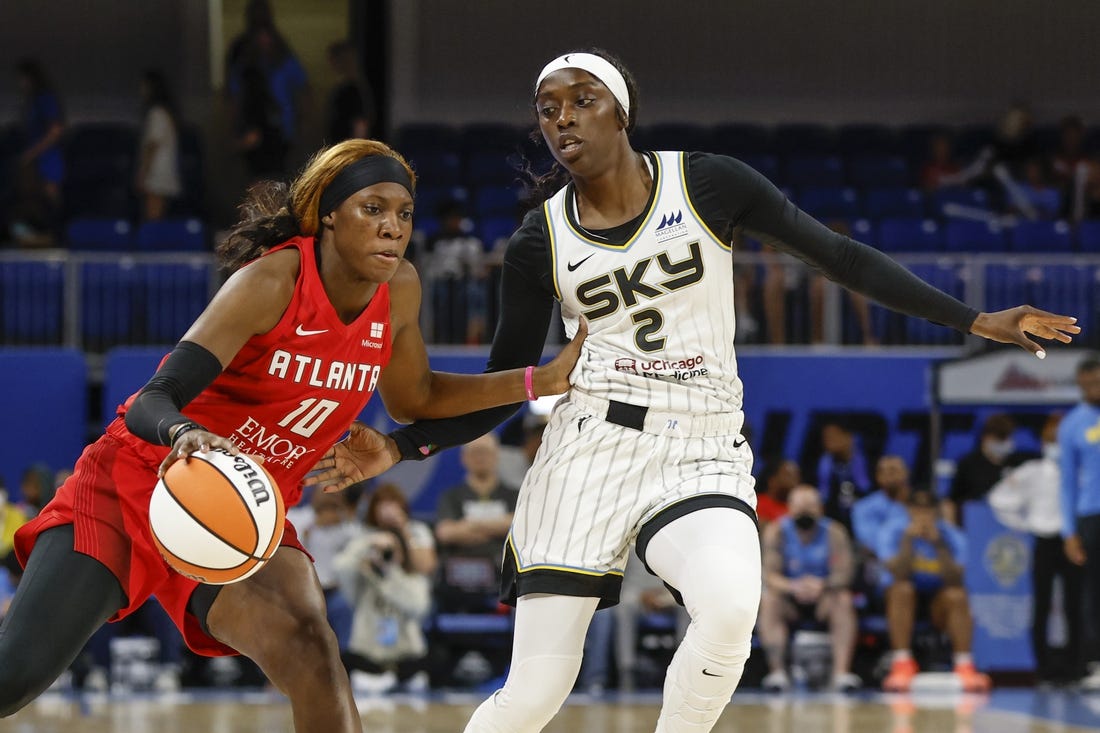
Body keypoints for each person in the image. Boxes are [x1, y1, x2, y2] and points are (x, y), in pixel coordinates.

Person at [308, 50, 1078, 732]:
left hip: (700, 444)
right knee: (537, 688)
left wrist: (975, 317)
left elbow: (839, 256)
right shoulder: (539, 238)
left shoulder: (706, 182)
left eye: (583, 100)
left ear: (623, 112)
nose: (562, 118)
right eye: (548, 109)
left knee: (732, 608)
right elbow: (515, 386)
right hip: (590, 451)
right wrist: (401, 448)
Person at [0, 138, 584, 728]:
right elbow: (153, 399)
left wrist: (539, 379)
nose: (393, 228)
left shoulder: (400, 288)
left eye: (403, 214)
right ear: (328, 213)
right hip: (137, 485)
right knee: (15, 674)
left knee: (312, 647)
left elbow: (419, 401)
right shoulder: (274, 280)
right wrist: (185, 433)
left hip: (242, 510)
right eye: (372, 209)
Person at [989, 413, 1083, 684]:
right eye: (1050, 438)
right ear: (1043, 440)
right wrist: (1024, 523)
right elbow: (999, 499)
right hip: (1044, 540)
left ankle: (1075, 668)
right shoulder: (1031, 471)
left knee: (1075, 605)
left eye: (1060, 439)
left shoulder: (1082, 471)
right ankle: (1043, 668)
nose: (1055, 444)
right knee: (1041, 605)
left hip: (1073, 541)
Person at [878, 489, 989, 693]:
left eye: (927, 509)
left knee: (957, 595)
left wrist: (939, 545)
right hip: (903, 603)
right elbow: (898, 572)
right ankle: (902, 663)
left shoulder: (951, 535)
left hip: (938, 604)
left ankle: (964, 664)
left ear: (935, 511)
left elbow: (956, 578)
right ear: (908, 510)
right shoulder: (892, 531)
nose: (922, 514)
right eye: (917, 508)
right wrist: (908, 541)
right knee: (902, 589)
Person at [758, 485, 860, 692]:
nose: (804, 514)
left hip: (824, 597)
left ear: (820, 509)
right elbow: (769, 575)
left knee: (843, 600)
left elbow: (844, 573)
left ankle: (841, 673)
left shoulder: (834, 532)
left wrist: (822, 585)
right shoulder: (777, 532)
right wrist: (793, 586)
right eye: (799, 509)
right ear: (790, 509)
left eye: (810, 509)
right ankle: (777, 673)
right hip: (790, 597)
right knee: (769, 600)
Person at [334, 524, 431, 693]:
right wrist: (368, 543)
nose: (386, 554)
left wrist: (390, 574)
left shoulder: (414, 579)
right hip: (367, 663)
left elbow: (418, 607)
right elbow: (340, 567)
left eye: (393, 549)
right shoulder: (361, 581)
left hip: (407, 663)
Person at [434, 433, 517, 613]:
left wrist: (469, 525)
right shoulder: (451, 496)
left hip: (504, 575)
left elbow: (518, 526)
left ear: (496, 456)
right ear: (464, 458)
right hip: (457, 579)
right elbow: (445, 533)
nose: (481, 457)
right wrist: (497, 527)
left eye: (485, 452)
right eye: (475, 452)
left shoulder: (513, 495)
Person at [1059, 354, 1100, 691]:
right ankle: (1096, 662)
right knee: (1094, 592)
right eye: (1087, 384)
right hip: (1092, 515)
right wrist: (1069, 531)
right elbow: (1067, 482)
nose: (1093, 389)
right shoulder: (1073, 424)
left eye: (1097, 382)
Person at [289, 488, 360, 651]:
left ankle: (347, 663)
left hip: (335, 592)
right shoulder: (298, 518)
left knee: (345, 609)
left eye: (336, 492)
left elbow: (358, 546)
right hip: (304, 593)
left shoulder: (347, 525)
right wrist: (315, 525)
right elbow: (290, 549)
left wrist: (345, 518)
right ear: (314, 494)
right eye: (325, 490)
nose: (330, 495)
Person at [11, 58, 64, 247]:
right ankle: (33, 237)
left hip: (47, 158)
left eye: (22, 79)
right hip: (35, 162)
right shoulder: (32, 102)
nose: (21, 84)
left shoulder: (45, 98)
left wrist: (32, 153)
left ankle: (57, 240)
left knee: (50, 199)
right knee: (29, 200)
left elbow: (55, 131)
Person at [945, 413, 1017, 526]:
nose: (1005, 442)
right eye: (1000, 438)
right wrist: (954, 530)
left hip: (1007, 526)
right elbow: (952, 501)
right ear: (986, 437)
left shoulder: (1016, 464)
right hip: (974, 525)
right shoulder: (968, 463)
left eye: (1007, 437)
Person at [136, 70, 182, 221]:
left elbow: (152, 145)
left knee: (153, 218)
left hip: (157, 173)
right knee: (158, 216)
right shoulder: (165, 113)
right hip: (164, 171)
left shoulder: (157, 113)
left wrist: (143, 172)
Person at [363, 482, 436, 577]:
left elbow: (425, 567)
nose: (387, 510)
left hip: (412, 586)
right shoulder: (367, 534)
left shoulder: (417, 530)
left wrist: (404, 529)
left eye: (391, 503)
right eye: (381, 504)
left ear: (401, 506)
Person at [817, 420, 872, 530]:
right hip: (833, 522)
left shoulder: (867, 462)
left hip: (863, 521)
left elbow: (868, 491)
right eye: (826, 437)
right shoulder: (824, 464)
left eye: (834, 436)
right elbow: (823, 497)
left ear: (849, 437)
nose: (828, 441)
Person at [851, 455, 912, 554]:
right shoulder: (862, 507)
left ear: (906, 473)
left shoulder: (920, 505)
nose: (888, 475)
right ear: (877, 477)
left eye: (893, 470)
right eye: (882, 471)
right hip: (881, 564)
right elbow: (871, 544)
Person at [325, 40, 374, 144]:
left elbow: (360, 124)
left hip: (348, 148)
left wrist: (354, 151)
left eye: (332, 59)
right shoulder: (342, 88)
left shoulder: (352, 90)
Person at [756, 456, 800, 526]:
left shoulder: (797, 510)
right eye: (788, 476)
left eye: (796, 477)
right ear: (772, 480)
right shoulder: (756, 503)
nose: (794, 482)